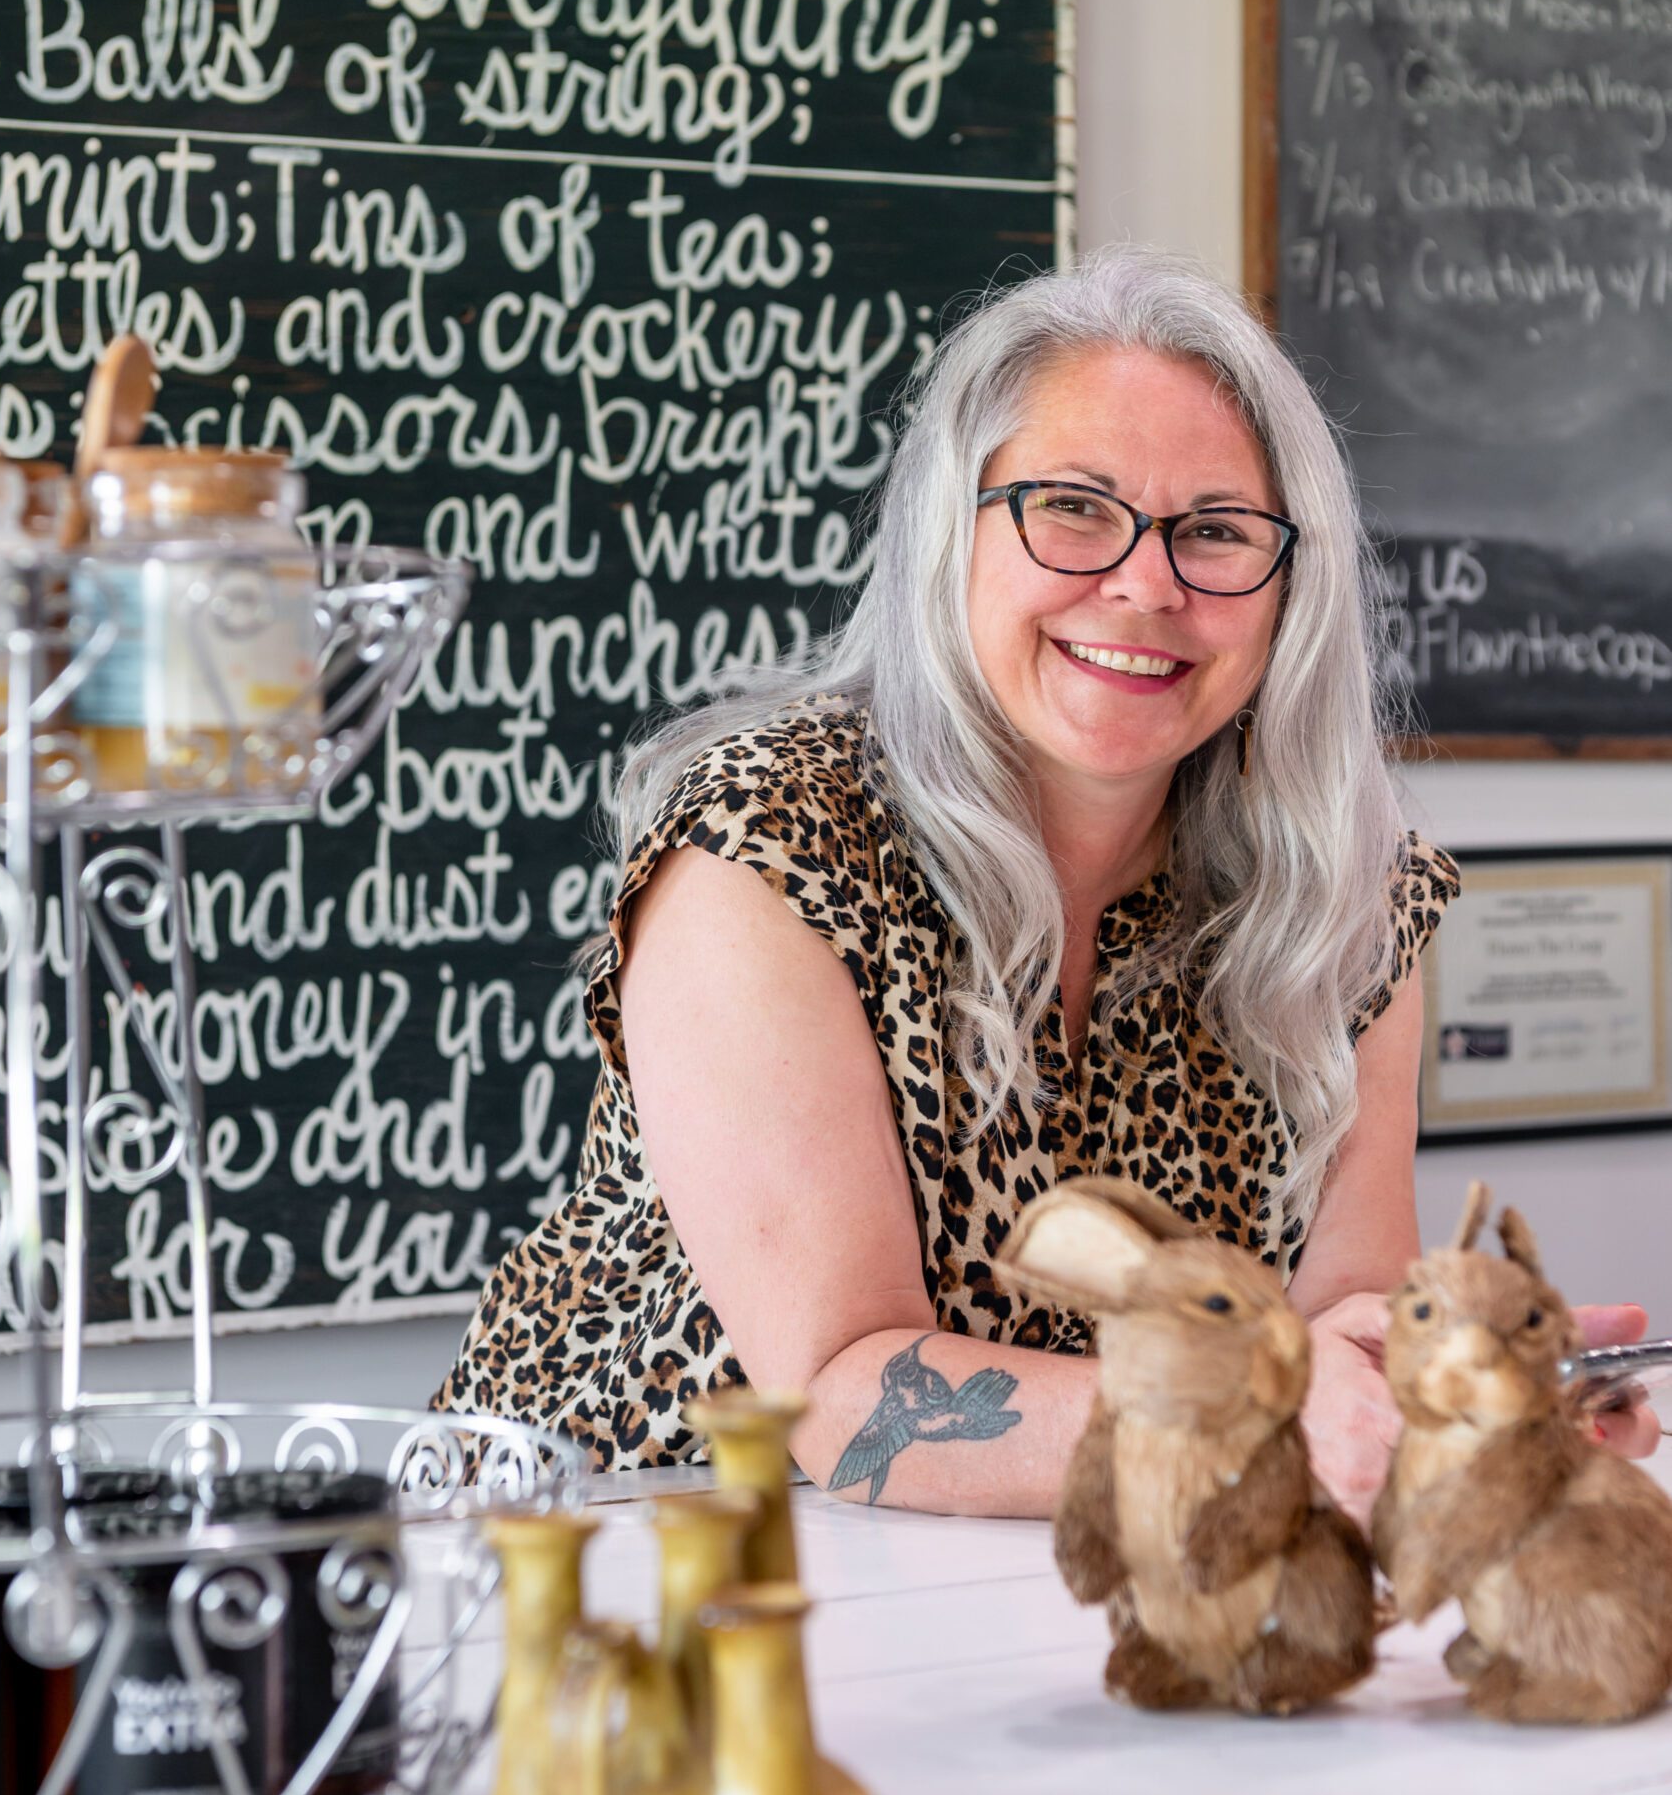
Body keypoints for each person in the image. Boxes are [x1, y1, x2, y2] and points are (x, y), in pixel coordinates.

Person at [436, 249, 1656, 1520]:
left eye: (1217, 531)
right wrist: (1244, 1415)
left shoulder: (1345, 889)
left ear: (1289, 588)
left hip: (1050, 1569)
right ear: (945, 531)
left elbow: (1338, 1315)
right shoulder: (763, 837)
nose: (1145, 584)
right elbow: (843, 1393)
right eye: (1069, 506)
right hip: (615, 1562)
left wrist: (1471, 1386)